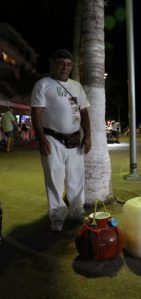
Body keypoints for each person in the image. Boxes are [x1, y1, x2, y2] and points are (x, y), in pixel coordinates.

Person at [31, 49, 91, 232]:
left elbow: (84, 112)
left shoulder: (76, 86)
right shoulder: (43, 85)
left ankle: (76, 210)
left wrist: (88, 136)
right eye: (61, 63)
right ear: (52, 63)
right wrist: (41, 139)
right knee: (54, 178)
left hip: (74, 139)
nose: (65, 67)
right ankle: (57, 216)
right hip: (52, 139)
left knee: (76, 177)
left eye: (69, 64)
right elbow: (36, 113)